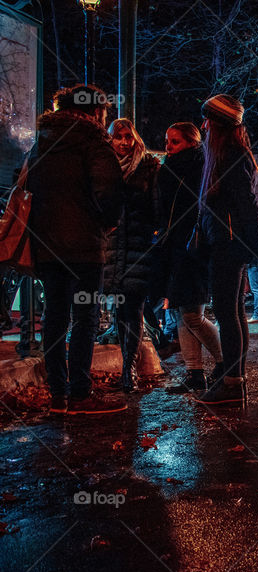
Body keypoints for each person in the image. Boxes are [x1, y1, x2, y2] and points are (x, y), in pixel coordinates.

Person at [26, 85, 126, 414]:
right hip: (84, 244)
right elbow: (109, 188)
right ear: (94, 112)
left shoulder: (40, 144)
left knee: (54, 315)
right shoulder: (92, 140)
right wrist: (107, 221)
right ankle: (81, 393)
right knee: (85, 316)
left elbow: (26, 186)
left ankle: (58, 394)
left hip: (46, 244)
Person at [196, 94, 258, 405]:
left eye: (208, 120)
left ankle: (233, 383)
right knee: (233, 313)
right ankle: (235, 379)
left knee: (228, 313)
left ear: (219, 124)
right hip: (227, 242)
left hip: (229, 244)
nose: (204, 125)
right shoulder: (226, 154)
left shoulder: (231, 155)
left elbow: (247, 205)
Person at [157, 122, 223, 394]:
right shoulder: (170, 167)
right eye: (167, 141)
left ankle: (225, 361)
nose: (168, 147)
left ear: (191, 142)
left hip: (193, 248)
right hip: (176, 246)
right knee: (183, 311)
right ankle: (194, 372)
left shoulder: (198, 167)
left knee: (193, 314)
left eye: (175, 142)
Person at [102, 118, 161, 393]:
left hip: (138, 247)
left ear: (136, 138)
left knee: (134, 309)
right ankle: (127, 364)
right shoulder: (104, 168)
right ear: (110, 140)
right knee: (120, 309)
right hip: (113, 249)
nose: (124, 142)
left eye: (128, 136)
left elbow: (156, 211)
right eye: (118, 137)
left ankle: (130, 368)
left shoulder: (148, 167)